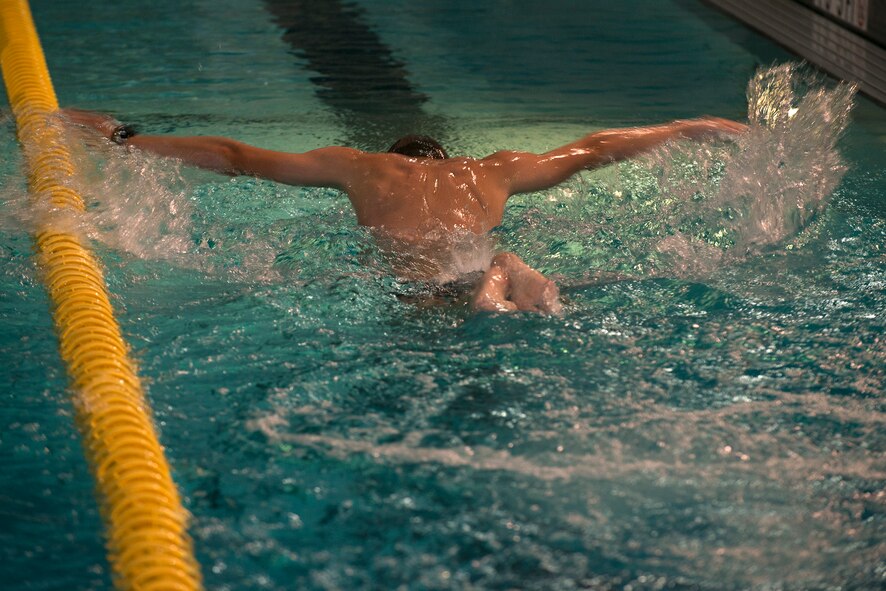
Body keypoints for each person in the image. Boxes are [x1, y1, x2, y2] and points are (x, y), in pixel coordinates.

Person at [62, 109, 746, 313]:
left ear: (394, 155)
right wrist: (691, 129)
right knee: (503, 280)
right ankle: (504, 277)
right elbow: (594, 147)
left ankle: (497, 284)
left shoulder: (360, 168)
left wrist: (125, 139)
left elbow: (236, 154)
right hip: (472, 261)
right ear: (444, 156)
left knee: (439, 310)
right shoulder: (492, 172)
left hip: (420, 289)